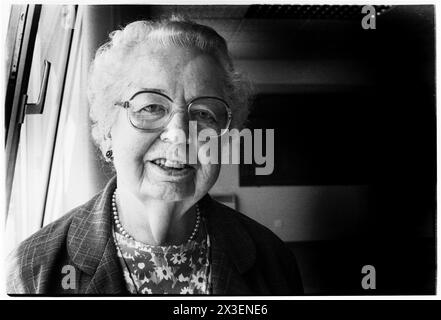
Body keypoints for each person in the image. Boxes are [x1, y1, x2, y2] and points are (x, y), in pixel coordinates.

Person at [7, 16, 303, 295]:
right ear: (109, 127)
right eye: (151, 107)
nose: (179, 133)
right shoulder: (32, 269)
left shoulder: (273, 261)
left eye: (203, 114)